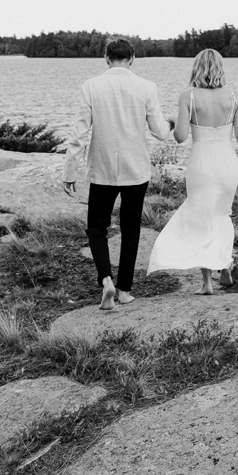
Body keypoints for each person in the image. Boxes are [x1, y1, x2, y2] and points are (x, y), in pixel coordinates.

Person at [63, 38, 174, 311]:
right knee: (131, 228)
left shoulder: (91, 86)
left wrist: (70, 170)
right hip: (136, 169)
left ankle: (106, 280)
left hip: (102, 169)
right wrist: (171, 123)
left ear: (106, 58)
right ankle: (124, 290)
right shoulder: (147, 87)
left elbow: (79, 134)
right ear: (132, 58)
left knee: (97, 227)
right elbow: (160, 132)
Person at [147, 49, 238, 295]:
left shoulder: (188, 95)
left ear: (196, 68)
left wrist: (173, 122)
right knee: (222, 213)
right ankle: (225, 265)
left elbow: (180, 137)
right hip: (227, 162)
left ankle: (207, 283)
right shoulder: (234, 95)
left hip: (201, 163)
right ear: (220, 67)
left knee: (201, 216)